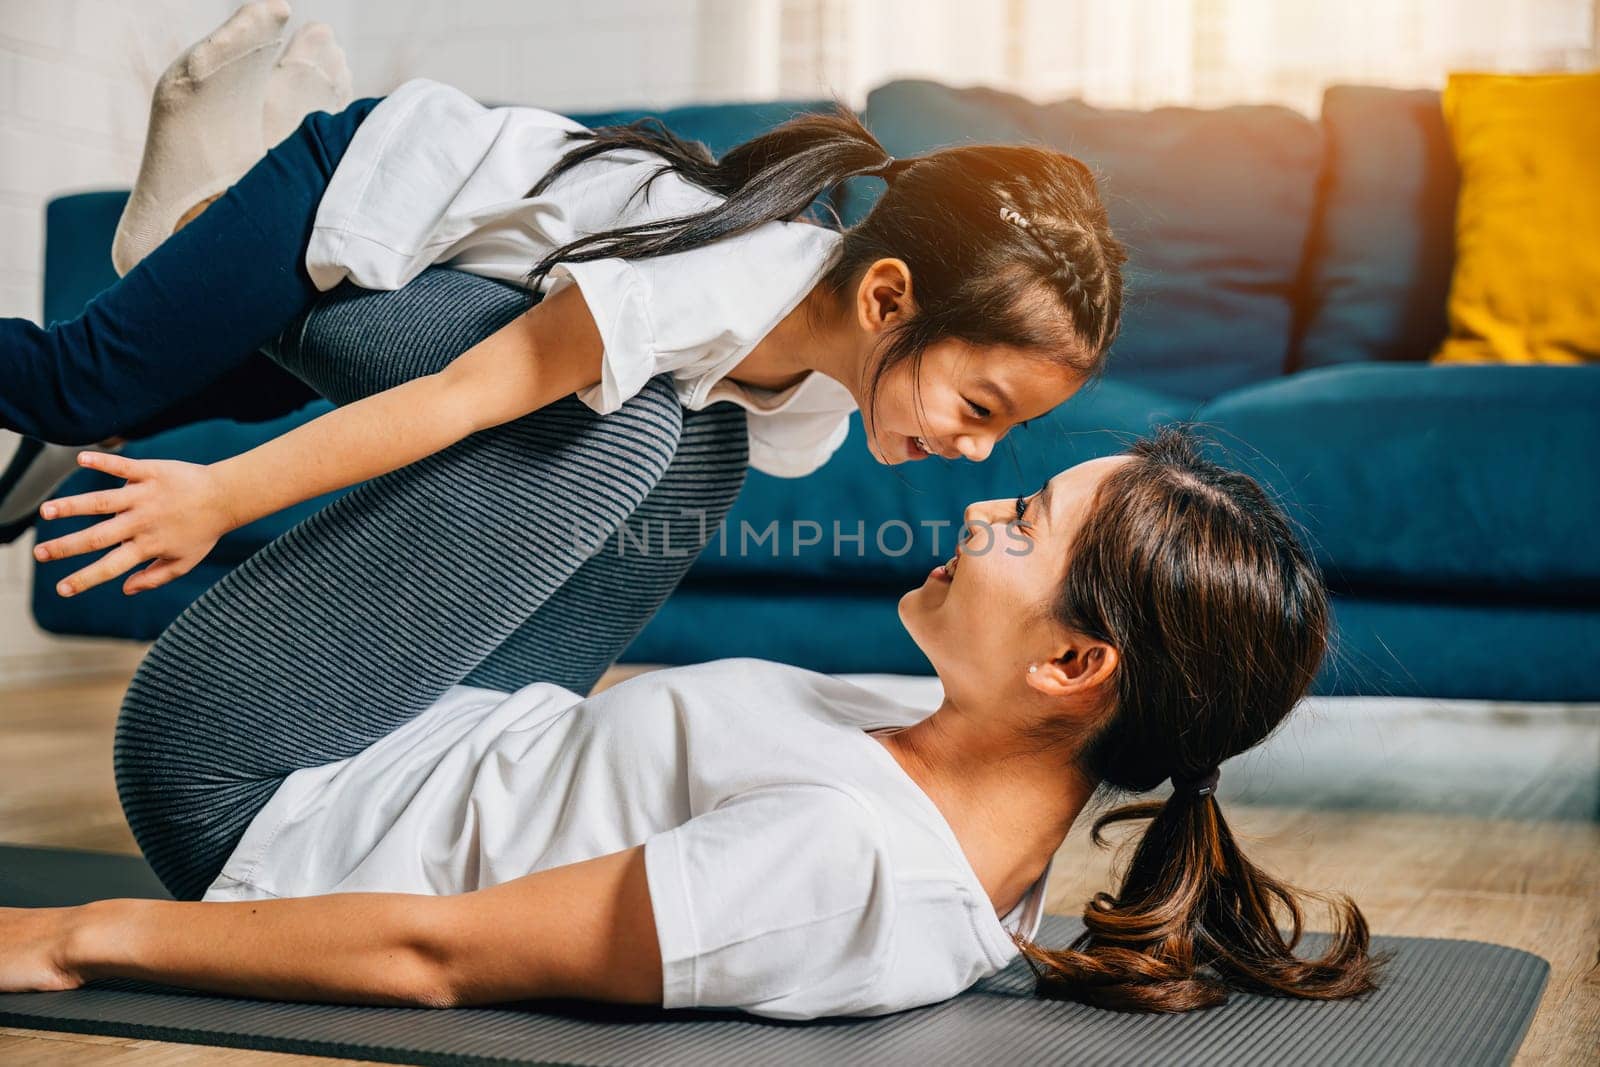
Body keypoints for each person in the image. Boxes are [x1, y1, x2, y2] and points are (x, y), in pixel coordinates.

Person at [0, 426, 1385, 1020]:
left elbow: (432, 952)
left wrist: (74, 937)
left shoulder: (847, 863)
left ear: (1075, 661)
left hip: (277, 790)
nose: (980, 510)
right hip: (466, 726)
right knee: (702, 426)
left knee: (625, 423)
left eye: (1019, 524)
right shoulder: (965, 758)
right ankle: (209, 265)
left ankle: (119, 372)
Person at [2, 0, 1125, 599]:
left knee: (209, 395)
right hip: (360, 177)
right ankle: (213, 202)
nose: (979, 453)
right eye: (980, 406)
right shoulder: (722, 287)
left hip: (451, 248)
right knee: (74, 381)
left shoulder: (820, 402)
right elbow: (458, 400)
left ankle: (193, 224)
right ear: (887, 297)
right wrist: (218, 502)